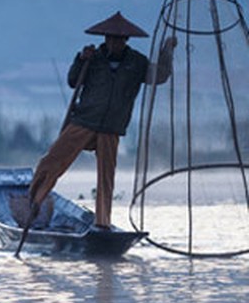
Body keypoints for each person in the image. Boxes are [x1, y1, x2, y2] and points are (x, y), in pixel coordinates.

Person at [27, 11, 176, 229]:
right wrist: (80, 59)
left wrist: (167, 50)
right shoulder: (93, 58)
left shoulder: (136, 63)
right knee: (51, 162)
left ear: (125, 40)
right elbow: (72, 81)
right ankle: (33, 203)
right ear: (105, 38)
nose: (113, 42)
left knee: (106, 179)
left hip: (111, 127)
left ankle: (102, 223)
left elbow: (160, 76)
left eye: (118, 39)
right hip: (84, 121)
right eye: (110, 38)